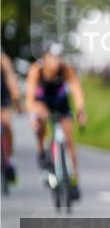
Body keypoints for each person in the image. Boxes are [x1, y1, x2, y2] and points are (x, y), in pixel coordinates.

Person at [25, 42, 87, 200]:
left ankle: (73, 180)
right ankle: (41, 152)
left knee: (69, 139)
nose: (56, 61)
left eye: (59, 57)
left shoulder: (66, 69)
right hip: (42, 102)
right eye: (52, 57)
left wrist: (81, 110)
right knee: (40, 122)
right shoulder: (37, 70)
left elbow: (76, 89)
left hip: (60, 103)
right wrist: (34, 115)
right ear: (45, 58)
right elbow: (30, 99)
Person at [1, 51, 22, 185]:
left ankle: (8, 157)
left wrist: (16, 98)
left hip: (2, 99)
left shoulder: (3, 59)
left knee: (7, 124)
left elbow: (10, 79)